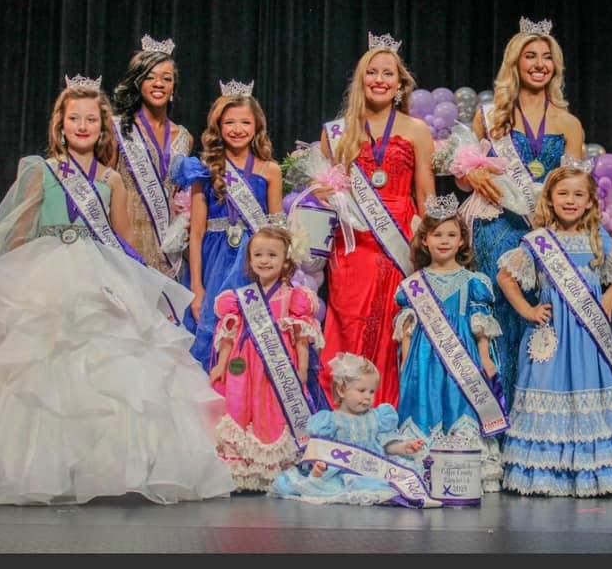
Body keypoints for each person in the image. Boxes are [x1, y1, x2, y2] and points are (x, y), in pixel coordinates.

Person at [0, 76, 234, 507]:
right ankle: (29, 468)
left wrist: (143, 288)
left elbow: (122, 243)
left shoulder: (112, 180)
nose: (82, 126)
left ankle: (98, 469)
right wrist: (12, 284)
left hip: (97, 272)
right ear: (60, 124)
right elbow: (20, 232)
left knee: (103, 372)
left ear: (102, 127)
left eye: (90, 119)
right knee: (37, 369)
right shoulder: (42, 171)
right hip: (45, 270)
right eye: (74, 118)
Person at [456, 17, 586, 409]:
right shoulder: (491, 115)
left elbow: (576, 186)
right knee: (500, 312)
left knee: (540, 316)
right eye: (530, 56)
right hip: (496, 225)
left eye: (547, 57)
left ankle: (534, 416)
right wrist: (473, 173)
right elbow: (465, 177)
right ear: (515, 63)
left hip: (544, 229)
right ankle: (497, 413)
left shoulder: (569, 123)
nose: (539, 64)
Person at [496, 164, 612, 497]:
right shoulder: (538, 242)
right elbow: (506, 277)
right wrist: (527, 309)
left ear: (591, 201)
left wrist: (608, 297)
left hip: (589, 339)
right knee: (550, 390)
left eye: (579, 195)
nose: (570, 200)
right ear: (549, 198)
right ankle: (549, 473)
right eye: (563, 194)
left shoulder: (597, 238)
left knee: (589, 392)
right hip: (554, 336)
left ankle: (594, 473)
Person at [315, 31, 436, 407]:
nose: (380, 80)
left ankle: (389, 411)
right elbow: (324, 193)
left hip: (401, 240)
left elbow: (426, 195)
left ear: (400, 84)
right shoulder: (336, 133)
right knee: (351, 321)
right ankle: (343, 413)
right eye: (372, 72)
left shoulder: (416, 130)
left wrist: (429, 245)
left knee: (395, 326)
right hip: (354, 244)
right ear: (361, 80)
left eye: (388, 74)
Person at [394, 194, 506, 493]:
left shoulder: (474, 282)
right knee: (425, 400)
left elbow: (480, 321)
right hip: (424, 356)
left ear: (462, 242)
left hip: (464, 353)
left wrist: (485, 357)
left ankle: (464, 468)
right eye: (437, 234)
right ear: (425, 240)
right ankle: (423, 465)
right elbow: (407, 327)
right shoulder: (414, 284)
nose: (444, 241)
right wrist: (406, 361)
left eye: (451, 235)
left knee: (461, 402)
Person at [210, 223, 328, 491]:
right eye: (258, 255)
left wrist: (301, 369)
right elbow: (230, 333)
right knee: (239, 408)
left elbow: (302, 339)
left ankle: (271, 473)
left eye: (272, 255)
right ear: (250, 259)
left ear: (286, 258)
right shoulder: (240, 298)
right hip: (243, 365)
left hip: (278, 367)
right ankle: (242, 471)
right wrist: (220, 364)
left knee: (271, 412)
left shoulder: (295, 297)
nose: (264, 260)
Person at [175, 79, 283, 372]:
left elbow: (277, 232)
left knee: (252, 333)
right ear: (218, 126)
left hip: (255, 262)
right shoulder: (204, 169)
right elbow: (196, 235)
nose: (237, 129)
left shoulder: (270, 170)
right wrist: (196, 288)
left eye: (245, 122)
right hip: (214, 260)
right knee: (212, 328)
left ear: (257, 126)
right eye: (230, 122)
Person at [269, 353, 429, 506]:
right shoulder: (330, 421)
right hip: (343, 470)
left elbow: (386, 445)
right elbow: (321, 450)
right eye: (361, 391)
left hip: (374, 468)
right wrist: (320, 465)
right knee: (329, 483)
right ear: (342, 391)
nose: (368, 397)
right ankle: (319, 479)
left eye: (372, 391)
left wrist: (402, 448)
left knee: (401, 479)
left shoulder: (378, 417)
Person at [111, 34, 194, 278]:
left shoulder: (184, 137)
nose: (158, 83)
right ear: (137, 83)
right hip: (125, 234)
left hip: (166, 242)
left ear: (173, 89)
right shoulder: (117, 128)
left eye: (166, 79)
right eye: (150, 77)